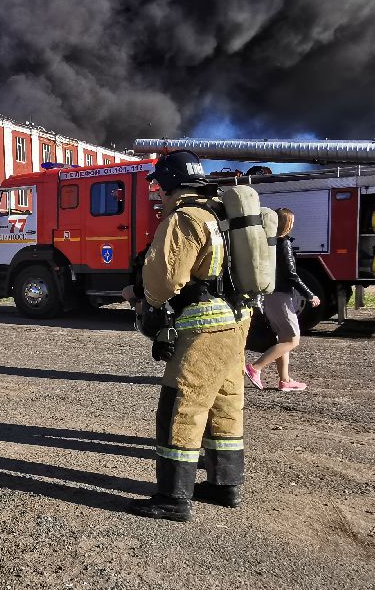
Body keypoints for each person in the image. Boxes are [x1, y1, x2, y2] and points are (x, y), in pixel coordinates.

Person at [131, 150, 253, 521]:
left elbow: (163, 280)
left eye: (159, 188)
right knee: (225, 404)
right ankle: (225, 485)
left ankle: (173, 497)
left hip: (205, 329)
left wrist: (144, 297)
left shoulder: (185, 219)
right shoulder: (221, 213)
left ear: (169, 186)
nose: (158, 196)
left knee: (180, 404)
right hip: (237, 321)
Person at [246, 208, 320, 392]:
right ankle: (254, 368)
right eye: (291, 222)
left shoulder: (269, 243)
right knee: (293, 340)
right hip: (281, 296)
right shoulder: (283, 243)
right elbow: (291, 274)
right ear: (286, 224)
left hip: (270, 294)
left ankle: (285, 380)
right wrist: (310, 294)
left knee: (283, 338)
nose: (293, 225)